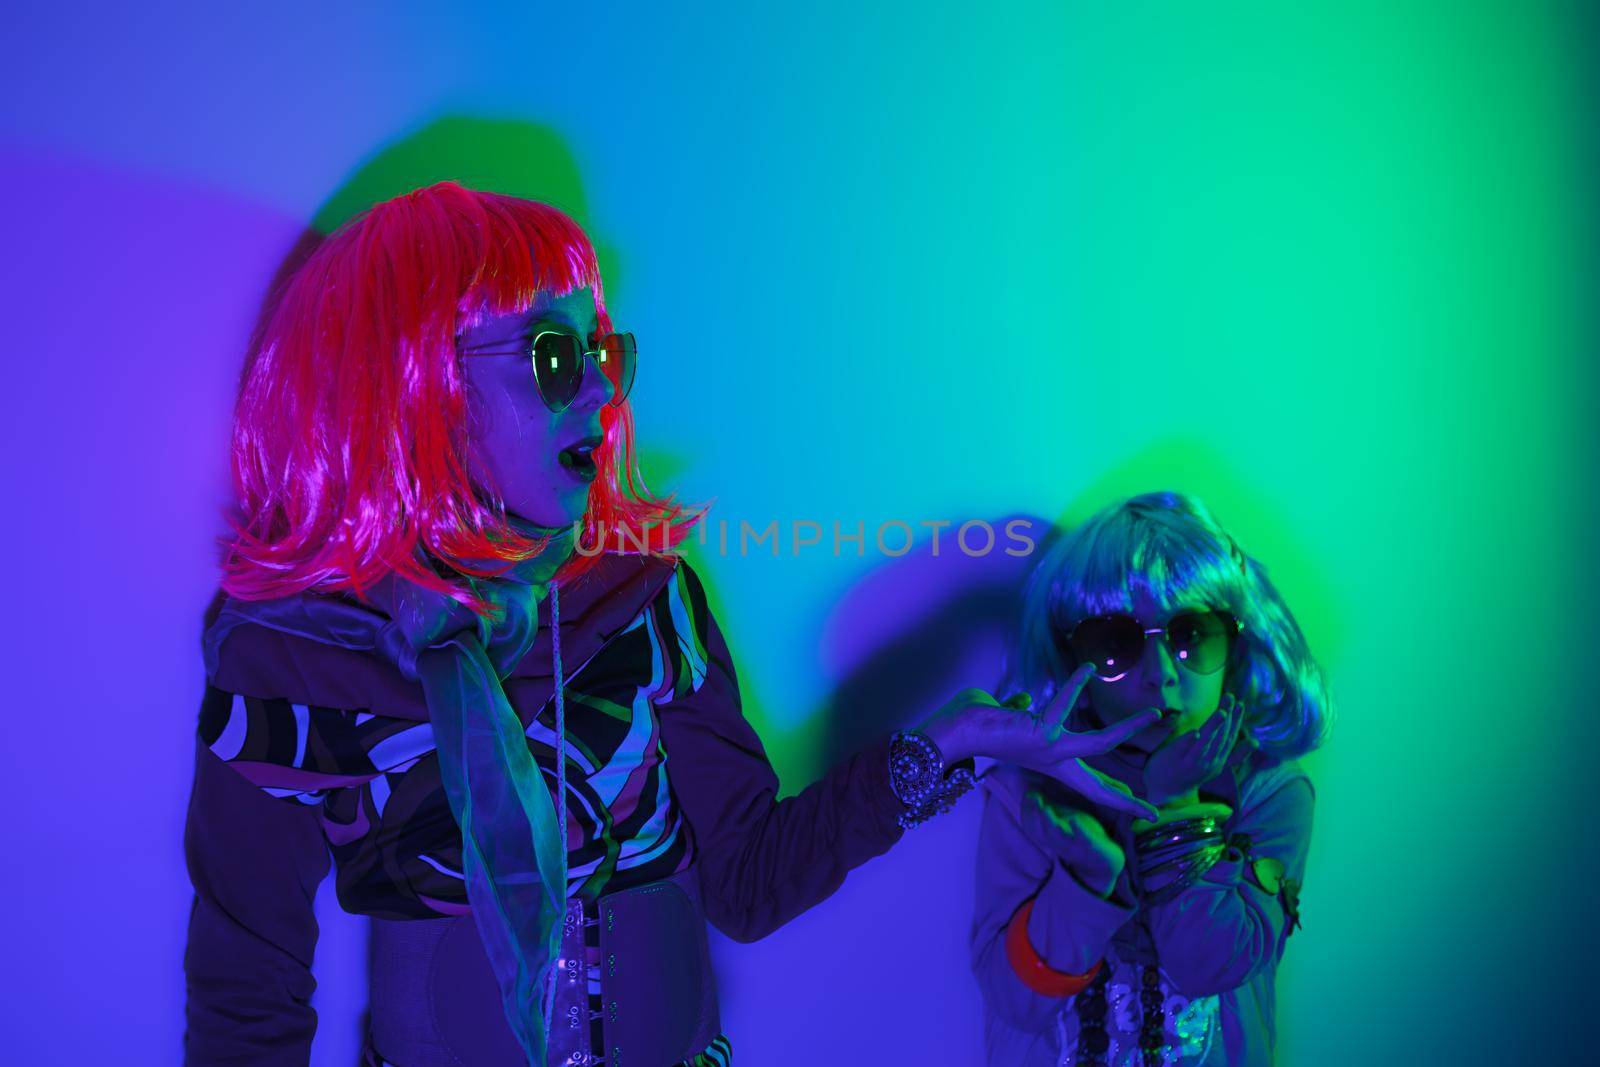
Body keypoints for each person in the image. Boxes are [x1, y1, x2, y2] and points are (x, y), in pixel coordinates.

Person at [182, 180, 1165, 1067]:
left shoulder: (648, 603)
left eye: (603, 353)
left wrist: (947, 741)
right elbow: (247, 990)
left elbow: (746, 881)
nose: (605, 393)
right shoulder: (295, 658)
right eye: (554, 356)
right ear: (410, 387)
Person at [971, 491, 1330, 1066]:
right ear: (1070, 658)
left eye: (1192, 636)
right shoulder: (1029, 794)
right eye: (1116, 644)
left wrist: (1177, 804)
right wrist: (1087, 882)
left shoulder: (1270, 792)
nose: (1160, 676)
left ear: (1233, 648)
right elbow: (1015, 1001)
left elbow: (1212, 964)